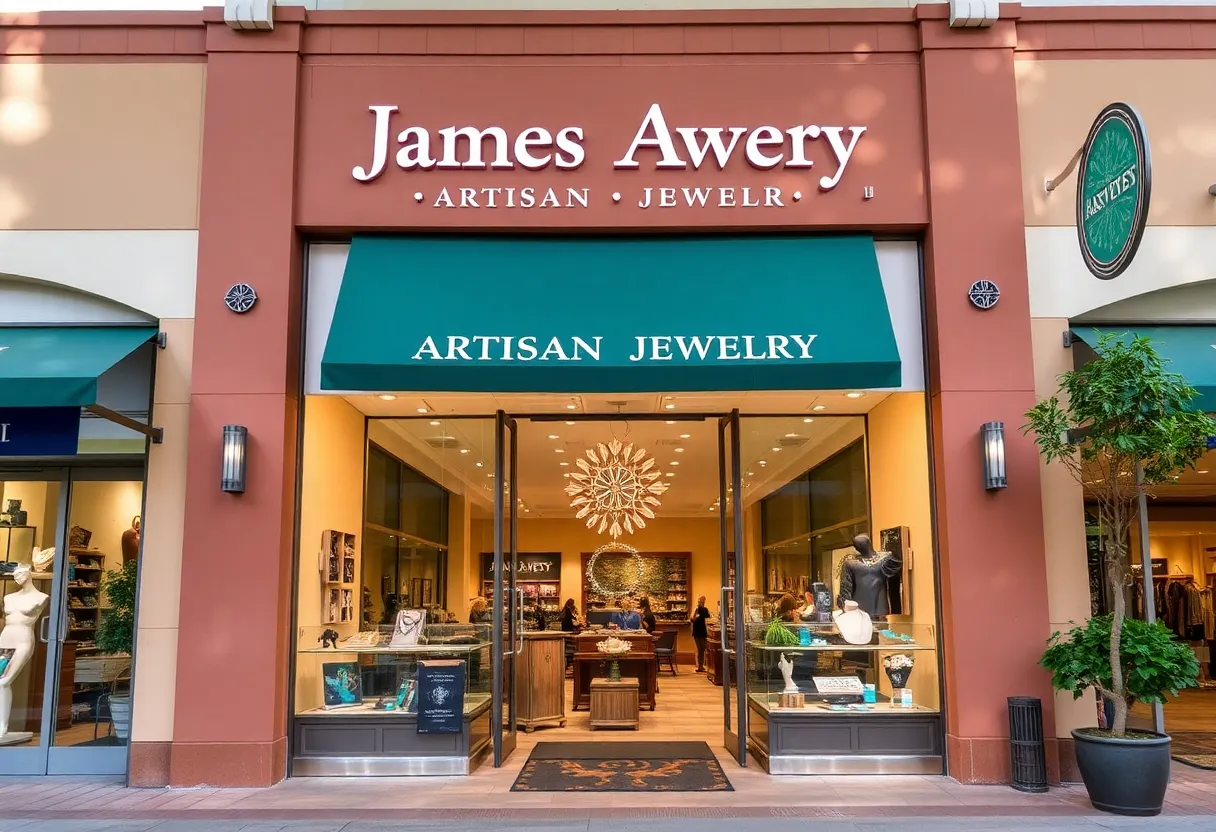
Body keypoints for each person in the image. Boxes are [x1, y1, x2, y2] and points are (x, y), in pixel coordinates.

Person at [690, 595, 711, 672]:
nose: (702, 602)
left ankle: (700, 666)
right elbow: (708, 616)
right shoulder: (702, 610)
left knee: (701, 649)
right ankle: (700, 666)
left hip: (699, 632)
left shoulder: (699, 610)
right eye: (701, 601)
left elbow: (692, 619)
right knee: (701, 649)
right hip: (700, 632)